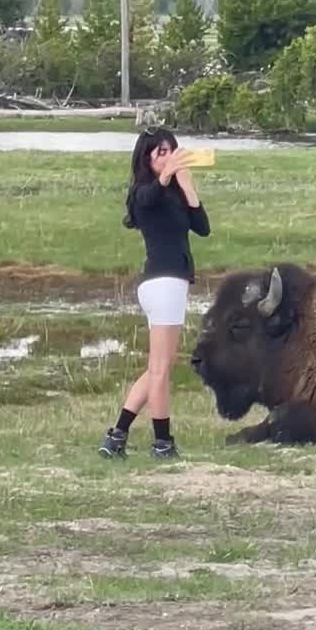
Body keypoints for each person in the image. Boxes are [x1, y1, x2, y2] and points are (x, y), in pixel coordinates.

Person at [101, 126, 210, 459]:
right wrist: (166, 178)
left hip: (171, 283)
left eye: (171, 150)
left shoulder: (175, 193)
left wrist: (187, 183)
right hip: (162, 284)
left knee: (157, 368)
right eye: (160, 152)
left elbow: (202, 228)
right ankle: (162, 443)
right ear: (147, 158)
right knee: (161, 369)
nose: (167, 156)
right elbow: (147, 198)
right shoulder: (142, 193)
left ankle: (117, 436)